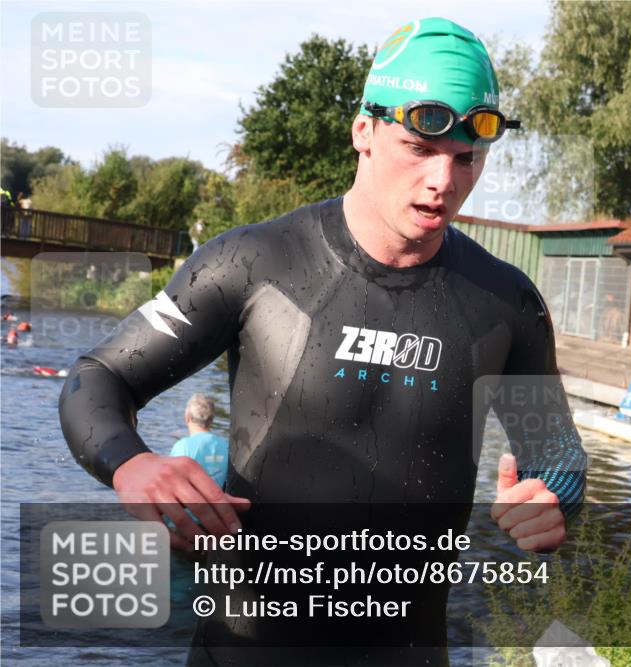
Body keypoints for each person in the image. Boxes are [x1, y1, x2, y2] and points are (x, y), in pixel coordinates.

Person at [59, 16, 586, 666]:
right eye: (420, 148)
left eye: (464, 158)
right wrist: (134, 465)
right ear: (363, 131)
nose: (443, 182)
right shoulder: (252, 264)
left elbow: (556, 454)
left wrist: (550, 499)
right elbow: (97, 380)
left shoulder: (505, 302)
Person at [169, 393, 228, 487]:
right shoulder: (225, 446)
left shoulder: (183, 447)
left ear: (187, 417)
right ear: (211, 419)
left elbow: (171, 483)